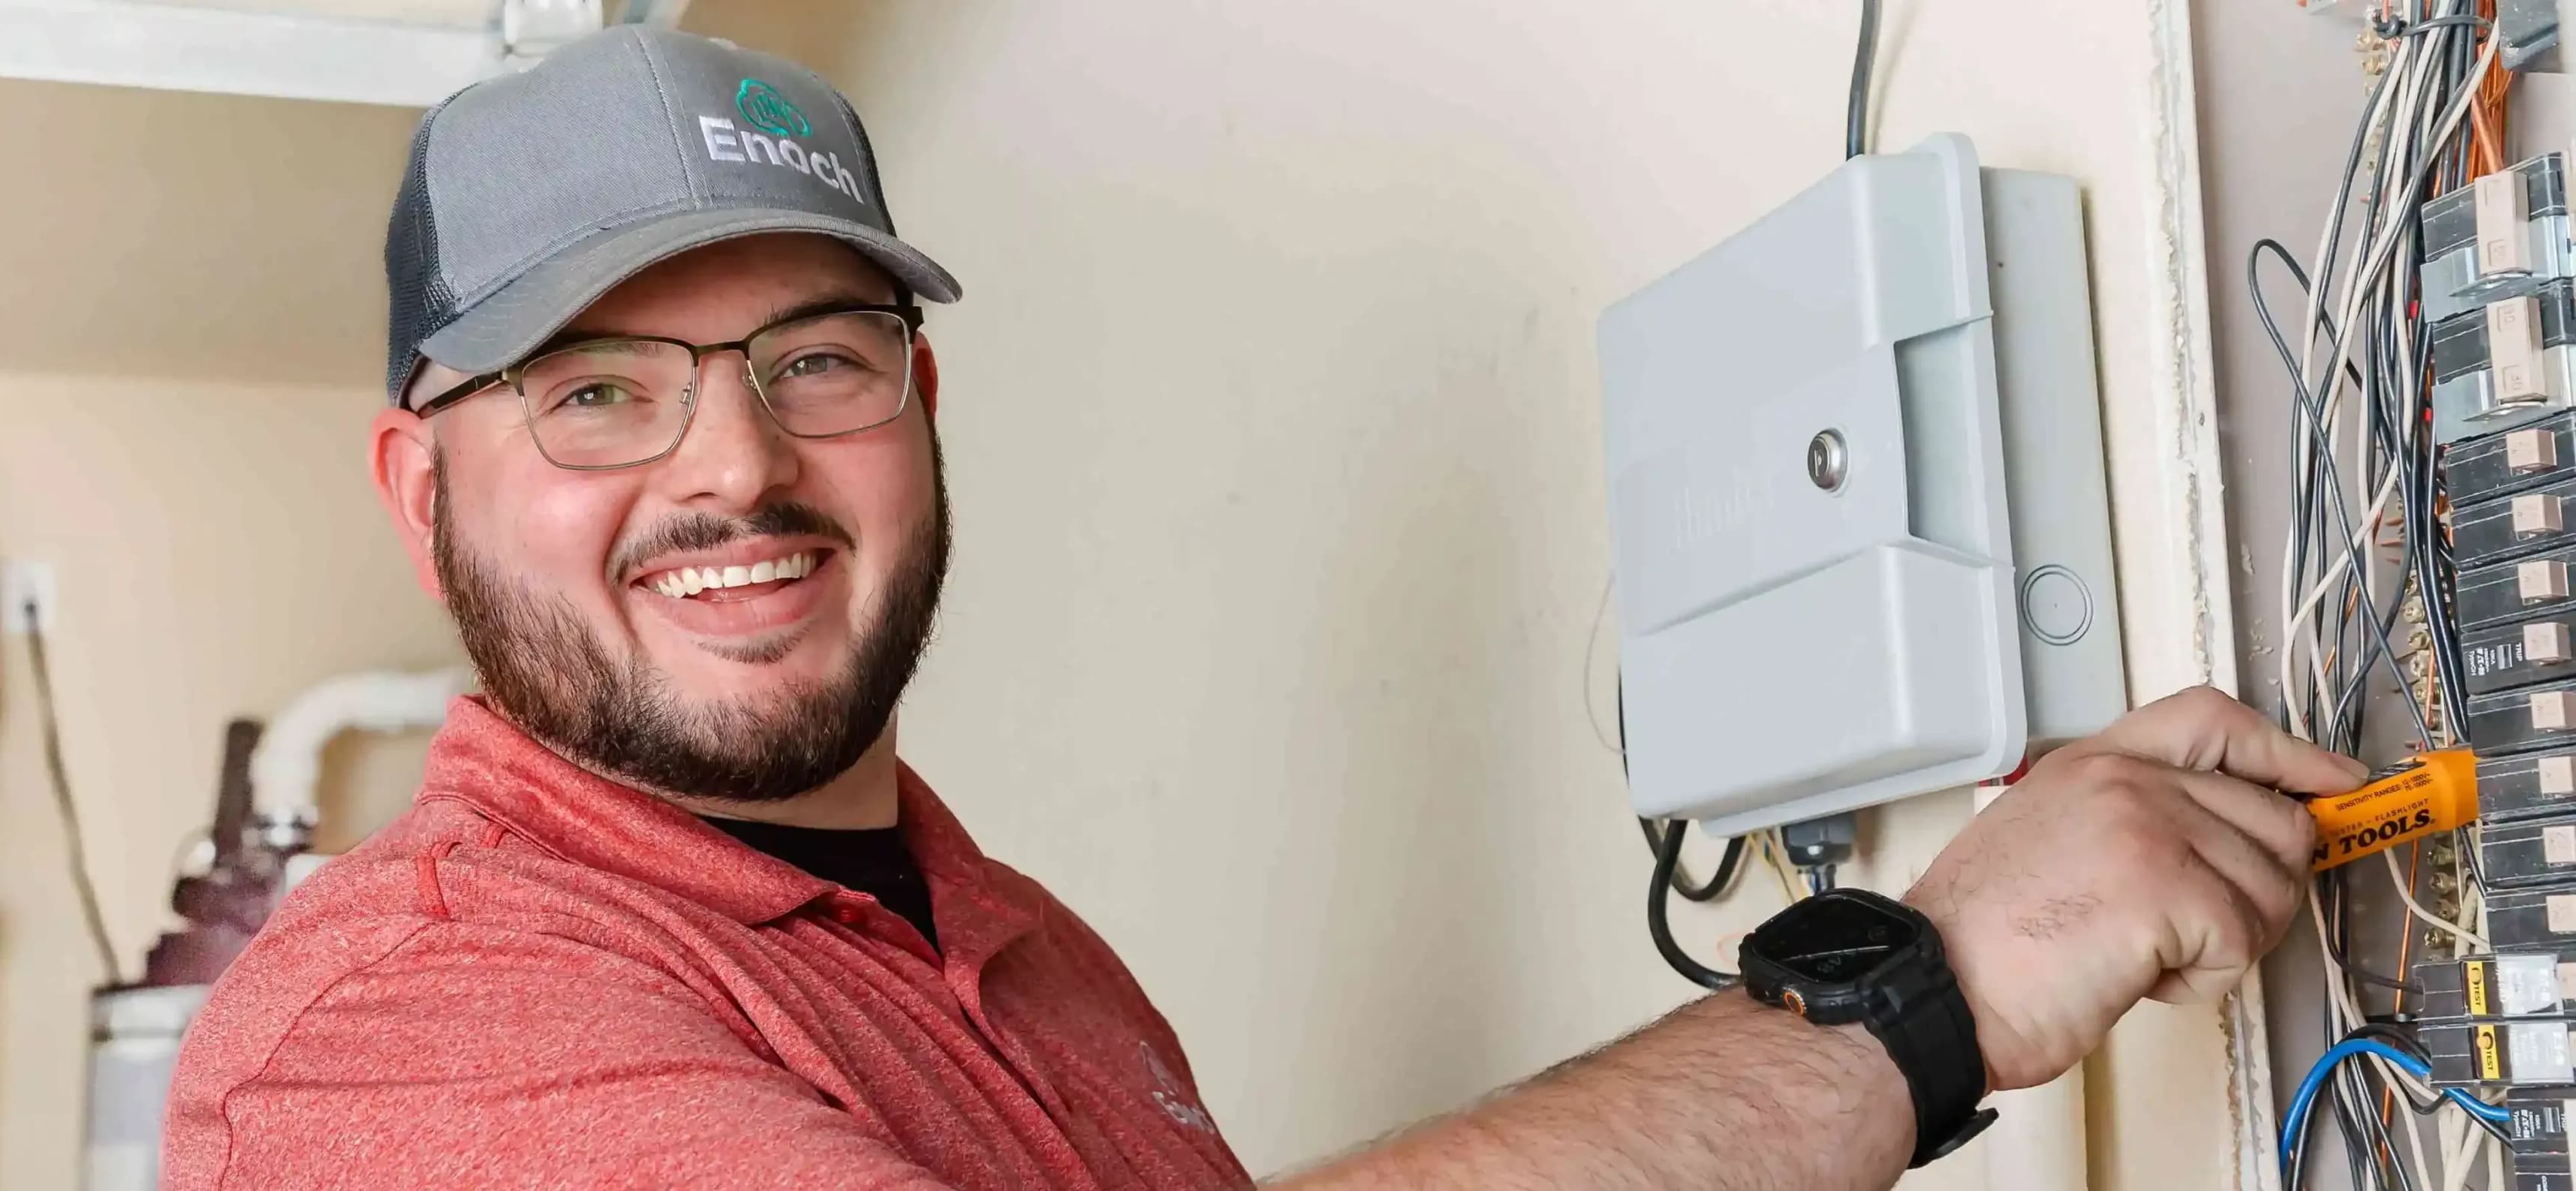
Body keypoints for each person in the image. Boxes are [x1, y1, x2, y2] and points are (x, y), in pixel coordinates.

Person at [161, 25, 2363, 1191]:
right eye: (599, 394)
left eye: (811, 360)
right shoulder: (376, 1042)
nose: (732, 469)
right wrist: (1930, 981)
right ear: (416, 489)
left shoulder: (1034, 962)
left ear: (916, 406)